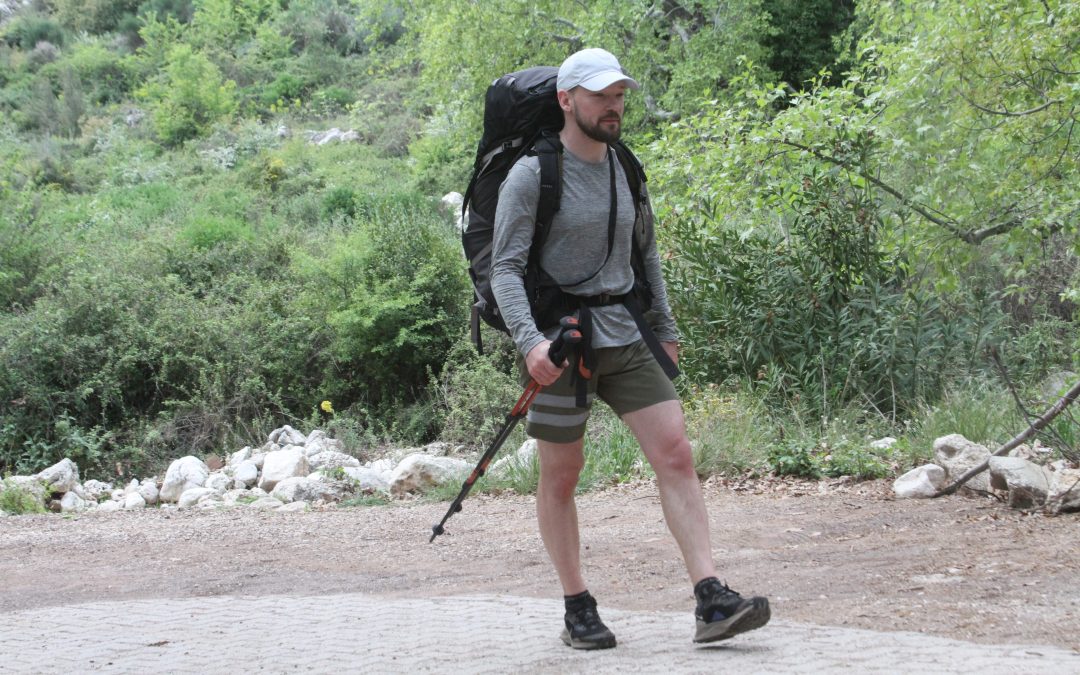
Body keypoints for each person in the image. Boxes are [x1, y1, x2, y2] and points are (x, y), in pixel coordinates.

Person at [490, 47, 771, 649]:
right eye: (600, 95)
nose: (613, 105)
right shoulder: (533, 174)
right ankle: (577, 605)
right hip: (560, 344)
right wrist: (530, 342)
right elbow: (505, 270)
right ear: (567, 100)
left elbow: (646, 256)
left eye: (618, 95)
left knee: (676, 453)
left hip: (626, 332)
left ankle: (711, 596)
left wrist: (665, 330)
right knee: (562, 475)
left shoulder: (626, 167)